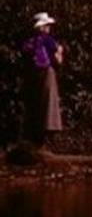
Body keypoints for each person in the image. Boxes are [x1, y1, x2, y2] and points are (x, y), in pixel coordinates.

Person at [21, 13, 64, 150]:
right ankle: (44, 138)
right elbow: (57, 57)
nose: (49, 28)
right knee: (48, 105)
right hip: (47, 72)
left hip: (34, 75)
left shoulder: (31, 41)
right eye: (47, 26)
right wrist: (60, 52)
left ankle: (35, 138)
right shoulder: (47, 39)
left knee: (38, 104)